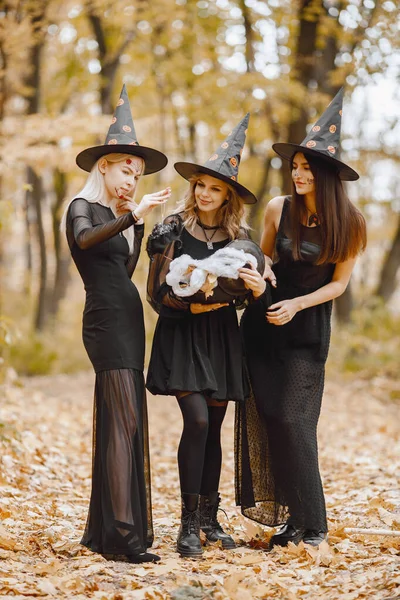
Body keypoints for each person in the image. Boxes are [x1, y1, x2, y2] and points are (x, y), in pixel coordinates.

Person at [236, 88, 367, 548]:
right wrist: (263, 273)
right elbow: (265, 258)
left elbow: (339, 285)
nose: (297, 174)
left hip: (307, 329)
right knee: (271, 419)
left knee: (294, 421)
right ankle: (293, 521)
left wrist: (298, 304)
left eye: (307, 169)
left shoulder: (351, 222)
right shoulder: (278, 208)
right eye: (295, 167)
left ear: (327, 175)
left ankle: (316, 525)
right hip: (263, 324)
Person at [146, 114, 266, 558]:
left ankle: (209, 520)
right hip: (182, 332)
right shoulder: (172, 228)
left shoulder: (243, 240)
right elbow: (156, 292)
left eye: (214, 188)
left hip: (220, 337)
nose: (204, 193)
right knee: (195, 420)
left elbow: (251, 291)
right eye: (200, 184)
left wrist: (254, 290)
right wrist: (193, 302)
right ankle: (186, 525)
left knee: (213, 428)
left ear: (228, 196)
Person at [61, 85, 171, 563]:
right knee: (121, 418)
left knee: (125, 421)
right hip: (104, 320)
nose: (132, 179)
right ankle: (122, 536)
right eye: (127, 169)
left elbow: (124, 272)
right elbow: (86, 243)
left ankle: (115, 527)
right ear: (103, 165)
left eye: (138, 174)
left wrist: (139, 223)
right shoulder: (81, 208)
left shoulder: (121, 215)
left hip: (129, 316)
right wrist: (132, 218)